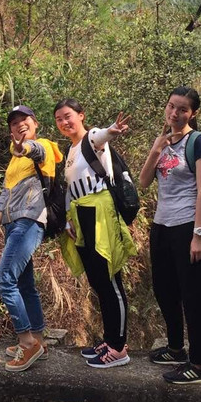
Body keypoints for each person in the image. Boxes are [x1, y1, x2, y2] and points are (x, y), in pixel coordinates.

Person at [137, 86, 201, 385]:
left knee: (192, 295)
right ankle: (175, 348)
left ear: (192, 113)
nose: (174, 113)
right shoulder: (164, 143)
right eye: (171, 107)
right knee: (165, 290)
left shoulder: (198, 142)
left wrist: (198, 235)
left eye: (182, 109)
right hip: (161, 225)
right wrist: (156, 149)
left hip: (187, 227)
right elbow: (143, 183)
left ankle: (199, 364)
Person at [53, 98, 137, 368]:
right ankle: (109, 338)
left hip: (100, 213)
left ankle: (119, 347)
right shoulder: (70, 152)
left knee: (111, 279)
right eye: (58, 119)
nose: (64, 123)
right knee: (98, 281)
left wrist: (114, 128)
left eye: (68, 116)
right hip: (81, 217)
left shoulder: (91, 138)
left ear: (81, 115)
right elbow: (70, 189)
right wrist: (67, 219)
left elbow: (103, 135)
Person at [0, 105, 63, 372]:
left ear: (35, 123)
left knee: (4, 280)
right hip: (12, 224)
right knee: (25, 284)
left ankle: (27, 341)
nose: (19, 125)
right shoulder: (14, 161)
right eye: (14, 123)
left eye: (24, 121)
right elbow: (5, 192)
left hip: (29, 220)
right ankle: (39, 341)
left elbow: (38, 150)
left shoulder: (42, 145)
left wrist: (26, 147)